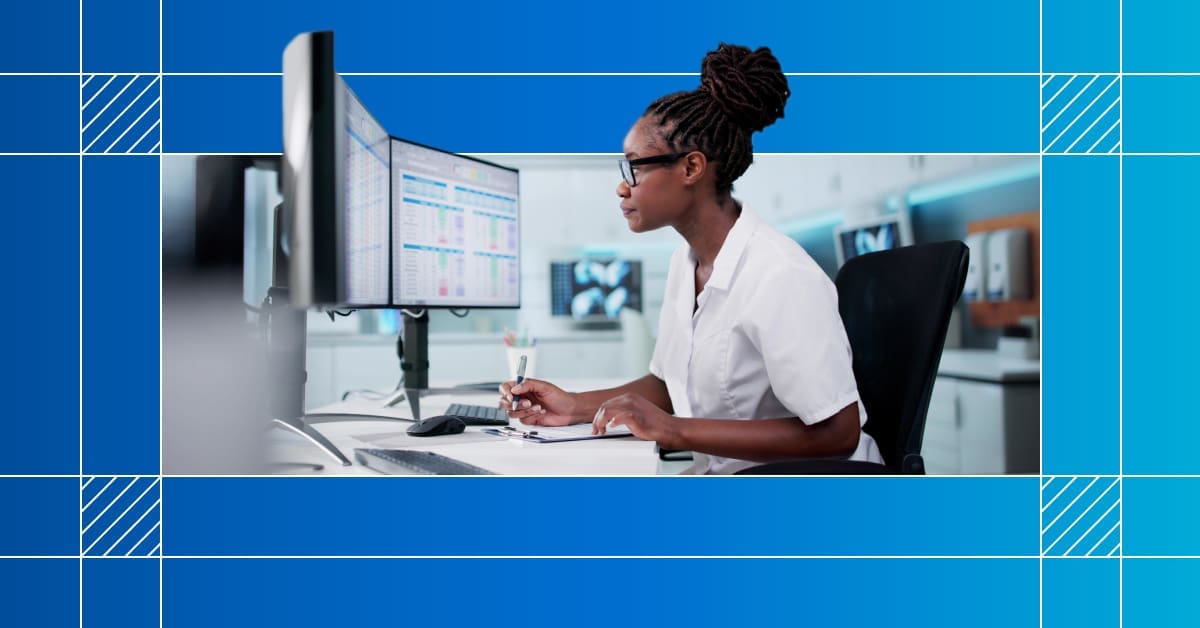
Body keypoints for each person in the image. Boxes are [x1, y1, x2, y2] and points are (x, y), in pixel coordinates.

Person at [499, 43, 882, 473]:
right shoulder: (687, 264)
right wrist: (573, 405)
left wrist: (674, 430)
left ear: (691, 168)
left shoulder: (780, 275)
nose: (622, 187)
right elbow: (670, 383)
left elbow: (838, 433)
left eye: (635, 168)